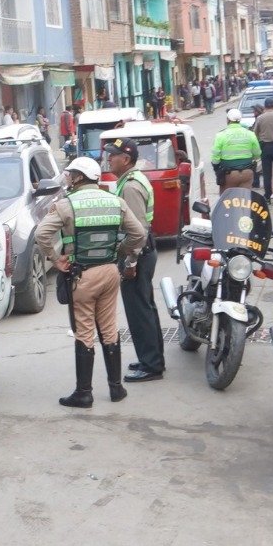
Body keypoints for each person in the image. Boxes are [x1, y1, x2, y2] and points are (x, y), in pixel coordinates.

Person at [35, 157, 146, 409]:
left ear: (78, 177)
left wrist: (55, 260)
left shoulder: (66, 205)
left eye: (71, 174)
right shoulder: (116, 201)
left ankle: (84, 393)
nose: (69, 178)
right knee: (109, 328)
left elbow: (42, 234)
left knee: (84, 331)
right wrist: (120, 252)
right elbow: (138, 234)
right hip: (109, 272)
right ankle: (116, 388)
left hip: (81, 275)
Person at [104, 139, 162, 384]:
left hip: (138, 254)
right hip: (143, 252)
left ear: (125, 159)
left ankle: (151, 365)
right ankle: (152, 359)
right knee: (145, 307)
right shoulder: (130, 180)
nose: (109, 159)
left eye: (113, 155)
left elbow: (138, 229)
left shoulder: (130, 186)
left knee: (139, 312)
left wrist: (130, 262)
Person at [210, 108, 261, 191]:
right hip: (247, 173)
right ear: (240, 120)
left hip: (229, 174)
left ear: (228, 120)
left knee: (227, 201)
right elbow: (257, 153)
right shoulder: (250, 134)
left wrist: (216, 168)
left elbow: (215, 157)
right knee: (245, 199)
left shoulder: (221, 135)